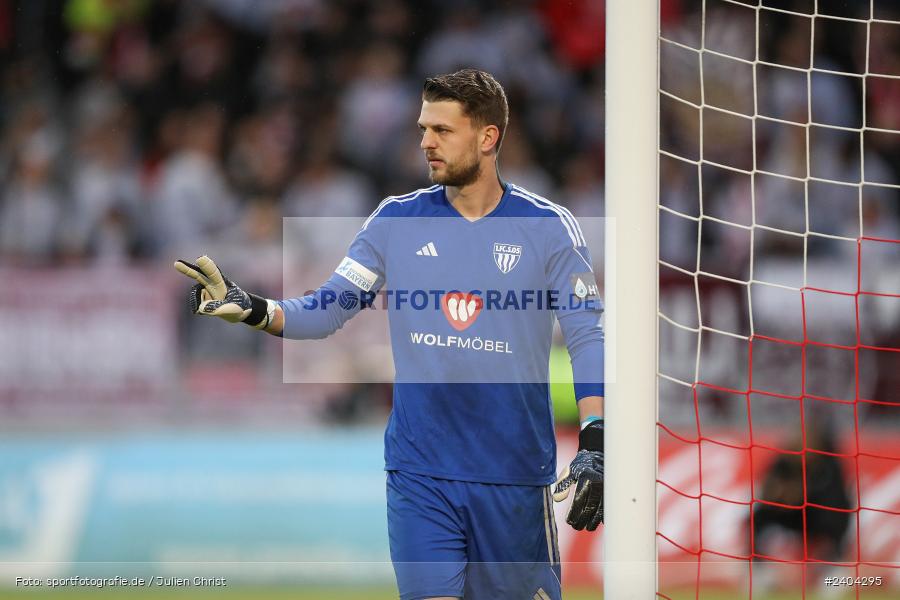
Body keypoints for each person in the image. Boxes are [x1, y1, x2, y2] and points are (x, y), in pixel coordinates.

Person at [175, 69, 605, 600]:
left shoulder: (549, 227)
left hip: (513, 476)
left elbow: (587, 334)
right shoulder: (395, 221)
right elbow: (327, 309)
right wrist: (254, 309)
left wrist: (595, 438)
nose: (426, 141)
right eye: (424, 128)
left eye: (443, 130)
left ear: (488, 137)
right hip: (420, 474)